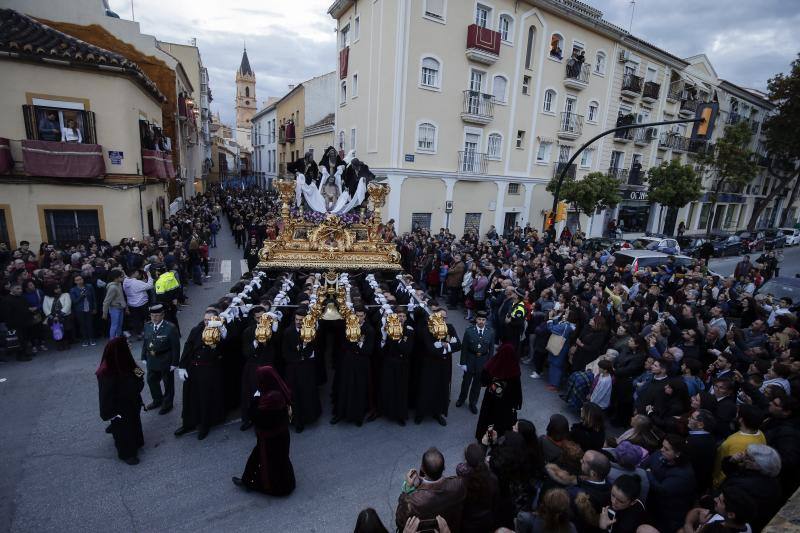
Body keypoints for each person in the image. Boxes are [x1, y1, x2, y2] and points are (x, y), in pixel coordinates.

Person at [233, 366, 296, 496]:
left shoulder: (269, 401)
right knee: (281, 460)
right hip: (282, 436)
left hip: (269, 439)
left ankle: (268, 486)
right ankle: (284, 483)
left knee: (269, 463)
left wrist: (255, 400)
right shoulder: (280, 392)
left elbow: (257, 418)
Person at [174, 310, 226, 440]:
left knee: (204, 398)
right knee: (189, 396)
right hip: (193, 368)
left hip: (208, 370)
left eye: (210, 320)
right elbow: (188, 346)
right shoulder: (196, 330)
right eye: (205, 320)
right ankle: (188, 423)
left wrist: (220, 334)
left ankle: (204, 424)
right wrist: (182, 366)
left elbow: (221, 351)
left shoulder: (219, 332)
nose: (207, 322)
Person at [96, 337, 145, 465]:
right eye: (127, 344)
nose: (129, 346)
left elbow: (140, 374)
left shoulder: (127, 360)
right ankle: (127, 454)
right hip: (119, 408)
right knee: (123, 430)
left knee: (133, 423)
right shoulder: (106, 371)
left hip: (132, 402)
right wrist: (109, 413)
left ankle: (136, 443)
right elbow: (104, 395)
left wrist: (137, 386)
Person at [395, 447, 466, 532]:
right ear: (444, 468)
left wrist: (407, 489)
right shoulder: (458, 484)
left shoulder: (411, 501)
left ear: (422, 468)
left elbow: (399, 521)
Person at [415, 308, 461, 426]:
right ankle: (421, 413)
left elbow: (458, 345)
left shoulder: (449, 328)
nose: (442, 320)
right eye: (440, 317)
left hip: (443, 365)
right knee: (426, 388)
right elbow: (430, 348)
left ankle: (438, 413)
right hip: (429, 365)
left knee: (441, 389)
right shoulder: (428, 329)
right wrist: (446, 347)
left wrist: (443, 346)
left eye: (444, 318)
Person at [642, 434, 695, 533]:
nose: (661, 450)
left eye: (666, 449)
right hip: (654, 504)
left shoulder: (683, 475)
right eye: (662, 446)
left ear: (677, 454)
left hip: (669, 514)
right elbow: (644, 464)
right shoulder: (661, 454)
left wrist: (648, 473)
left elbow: (661, 489)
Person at [332, 306, 375, 426]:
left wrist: (354, 345)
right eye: (357, 316)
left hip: (361, 364)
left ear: (365, 316)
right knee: (344, 387)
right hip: (349, 361)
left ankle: (358, 416)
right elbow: (344, 344)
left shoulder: (369, 329)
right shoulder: (349, 326)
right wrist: (357, 345)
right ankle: (340, 414)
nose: (359, 318)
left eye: (361, 316)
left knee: (359, 389)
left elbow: (368, 350)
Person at [282, 306, 321, 433]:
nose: (298, 322)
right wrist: (301, 356)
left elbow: (315, 349)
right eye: (297, 319)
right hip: (293, 370)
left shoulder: (312, 331)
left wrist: (306, 347)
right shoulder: (288, 332)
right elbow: (285, 353)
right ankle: (297, 421)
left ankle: (310, 416)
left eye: (301, 320)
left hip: (307, 369)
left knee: (308, 393)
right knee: (294, 396)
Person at [239, 306, 278, 431]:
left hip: (267, 365)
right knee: (250, 394)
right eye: (258, 318)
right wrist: (256, 341)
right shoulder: (248, 331)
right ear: (254, 318)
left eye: (263, 317)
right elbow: (246, 352)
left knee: (269, 393)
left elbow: (278, 342)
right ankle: (249, 419)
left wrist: (275, 324)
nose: (261, 320)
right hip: (254, 366)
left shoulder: (271, 327)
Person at [475, 339, 522, 440]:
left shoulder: (493, 363)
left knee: (488, 419)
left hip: (491, 401)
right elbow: (517, 389)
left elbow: (483, 378)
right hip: (506, 403)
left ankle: (484, 436)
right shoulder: (514, 369)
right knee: (501, 420)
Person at [140, 304, 181, 415]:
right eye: (152, 315)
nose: (154, 318)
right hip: (151, 359)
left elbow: (176, 347)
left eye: (157, 315)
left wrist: (174, 363)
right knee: (151, 380)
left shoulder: (170, 328)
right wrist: (143, 356)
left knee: (168, 383)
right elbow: (146, 342)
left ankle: (167, 404)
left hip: (165, 359)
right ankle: (157, 400)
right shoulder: (148, 325)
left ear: (162, 315)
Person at [379, 306, 415, 426]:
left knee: (401, 390)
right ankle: (388, 411)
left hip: (402, 364)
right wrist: (385, 335)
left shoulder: (409, 331)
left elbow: (407, 349)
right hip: (390, 363)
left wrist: (398, 338)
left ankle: (400, 415)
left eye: (404, 316)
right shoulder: (389, 329)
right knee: (389, 387)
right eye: (399, 316)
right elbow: (385, 347)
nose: (402, 318)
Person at [457, 310, 496, 414]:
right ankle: (461, 398)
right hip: (470, 358)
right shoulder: (469, 331)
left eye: (483, 320)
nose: (481, 321)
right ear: (476, 320)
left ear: (486, 321)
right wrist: (463, 363)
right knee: (466, 381)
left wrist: (489, 365)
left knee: (477, 384)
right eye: (479, 319)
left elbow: (491, 350)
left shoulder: (490, 332)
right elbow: (464, 348)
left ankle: (473, 403)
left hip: (482, 360)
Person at [456, 443, 499, 533]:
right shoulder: (493, 478)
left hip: (468, 521)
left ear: (466, 460)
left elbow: (459, 467)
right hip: (487, 519)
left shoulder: (462, 481)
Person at [69, 273, 96, 347]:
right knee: (82, 325)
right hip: (79, 310)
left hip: (89, 308)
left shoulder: (89, 286)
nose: (79, 281)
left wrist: (94, 308)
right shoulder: (73, 290)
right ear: (75, 282)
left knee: (90, 324)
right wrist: (81, 296)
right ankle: (85, 339)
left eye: (80, 279)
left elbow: (94, 298)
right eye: (77, 280)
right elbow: (74, 301)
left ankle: (92, 338)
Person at [102, 269, 127, 338]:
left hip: (120, 308)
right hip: (114, 309)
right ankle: (112, 341)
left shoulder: (119, 284)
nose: (122, 278)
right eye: (121, 276)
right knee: (114, 326)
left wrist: (125, 307)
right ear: (116, 278)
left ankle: (118, 340)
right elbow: (106, 301)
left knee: (119, 325)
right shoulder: (112, 287)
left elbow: (122, 297)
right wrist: (105, 313)